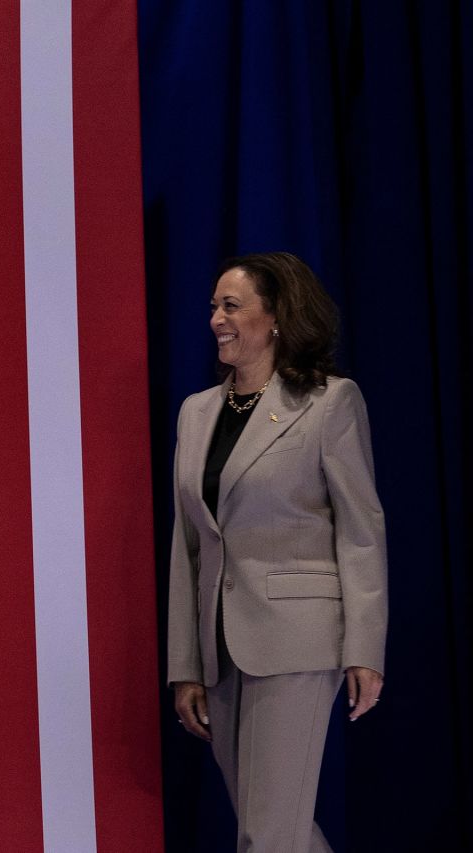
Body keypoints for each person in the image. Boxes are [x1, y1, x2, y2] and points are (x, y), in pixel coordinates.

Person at [166, 252, 387, 852]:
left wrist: (365, 649)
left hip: (297, 641)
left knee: (269, 836)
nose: (216, 318)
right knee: (273, 830)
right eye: (213, 306)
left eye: (231, 305)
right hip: (220, 651)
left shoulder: (329, 403)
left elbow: (361, 530)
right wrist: (185, 663)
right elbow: (189, 548)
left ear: (278, 317)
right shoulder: (196, 413)